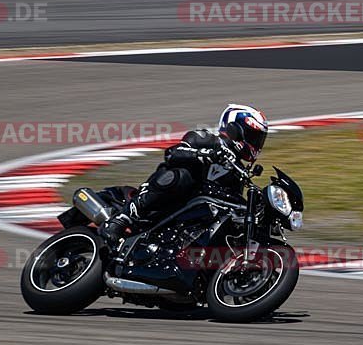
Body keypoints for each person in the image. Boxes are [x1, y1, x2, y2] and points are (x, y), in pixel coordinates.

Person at [99, 104, 269, 246]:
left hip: (186, 217)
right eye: (253, 136)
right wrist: (206, 155)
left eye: (259, 138)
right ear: (235, 130)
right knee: (181, 176)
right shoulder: (205, 138)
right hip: (163, 197)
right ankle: (121, 219)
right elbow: (173, 154)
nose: (256, 143)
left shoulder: (236, 172)